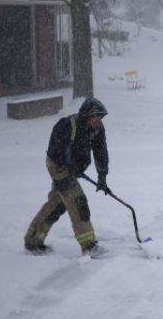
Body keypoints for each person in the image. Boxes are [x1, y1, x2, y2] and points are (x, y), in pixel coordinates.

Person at [24, 98, 112, 257]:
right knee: (78, 202)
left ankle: (33, 240)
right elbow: (54, 150)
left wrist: (102, 176)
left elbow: (100, 152)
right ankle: (89, 246)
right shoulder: (66, 125)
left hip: (72, 168)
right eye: (96, 117)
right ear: (87, 115)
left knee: (57, 204)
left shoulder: (97, 129)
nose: (99, 121)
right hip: (58, 167)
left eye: (101, 118)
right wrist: (68, 165)